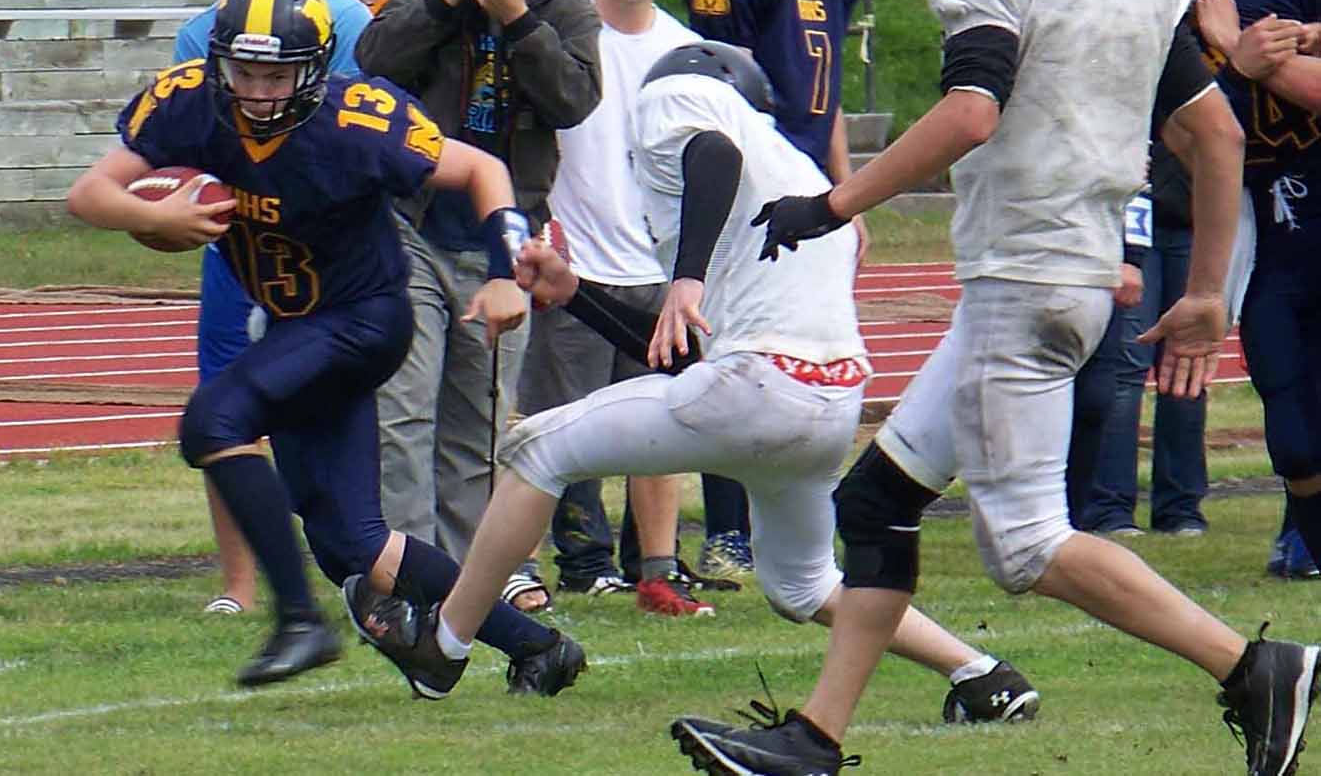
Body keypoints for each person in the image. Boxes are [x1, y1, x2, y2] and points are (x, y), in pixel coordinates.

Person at [673, 0, 1318, 776]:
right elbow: (1215, 135)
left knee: (1024, 547)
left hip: (1025, 275)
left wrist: (832, 204)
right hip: (1060, 268)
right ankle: (813, 741)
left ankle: (1254, 667)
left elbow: (973, 108)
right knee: (872, 502)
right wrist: (1201, 292)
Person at [383, 41, 1038, 722]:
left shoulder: (687, 104)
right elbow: (677, 356)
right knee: (803, 584)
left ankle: (445, 644)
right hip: (824, 401)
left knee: (536, 447)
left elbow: (711, 154)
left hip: (756, 385)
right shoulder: (799, 172)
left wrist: (686, 274)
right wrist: (574, 291)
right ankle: (981, 672)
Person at [67, 0, 585, 696]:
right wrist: (153, 219)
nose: (256, 89)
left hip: (364, 318)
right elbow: (88, 192)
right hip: (294, 326)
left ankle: (299, 620)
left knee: (214, 418)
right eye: (244, 69)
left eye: (276, 73)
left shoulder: (353, 121)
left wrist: (503, 268)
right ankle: (537, 646)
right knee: (353, 544)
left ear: (311, 71)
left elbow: (482, 167)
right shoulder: (189, 100)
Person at [355, 0, 601, 611]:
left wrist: (521, 21)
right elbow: (372, 59)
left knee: (483, 422)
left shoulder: (565, 6)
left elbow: (574, 99)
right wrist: (442, 2)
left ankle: (469, 583)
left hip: (504, 240)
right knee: (402, 408)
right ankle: (403, 576)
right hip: (413, 224)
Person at [173, 0, 373, 616]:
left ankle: (365, 558)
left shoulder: (346, 18)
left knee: (351, 407)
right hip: (239, 246)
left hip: (329, 250)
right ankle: (239, 583)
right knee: (221, 405)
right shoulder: (200, 32)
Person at [678, 0, 864, 579]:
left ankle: (798, 528)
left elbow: (832, 100)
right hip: (754, 188)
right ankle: (727, 532)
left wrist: (848, 195)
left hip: (812, 194)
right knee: (736, 355)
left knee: (815, 357)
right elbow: (718, 86)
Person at [515, 0, 703, 613]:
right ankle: (519, 567)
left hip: (653, 268)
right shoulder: (564, 33)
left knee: (663, 422)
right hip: (575, 262)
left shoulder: (680, 49)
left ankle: (658, 566)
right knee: (550, 426)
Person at [1077, 0, 1210, 538]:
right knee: (1122, 364)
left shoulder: (1191, 39)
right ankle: (1105, 504)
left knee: (1187, 361)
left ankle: (1180, 503)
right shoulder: (1094, 38)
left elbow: (1222, 138)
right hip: (1124, 214)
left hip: (1181, 214)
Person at [1193, 0, 1321, 580]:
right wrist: (1230, 65)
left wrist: (1246, 54)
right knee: (1291, 428)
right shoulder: (1190, 45)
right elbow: (1185, 141)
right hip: (1274, 241)